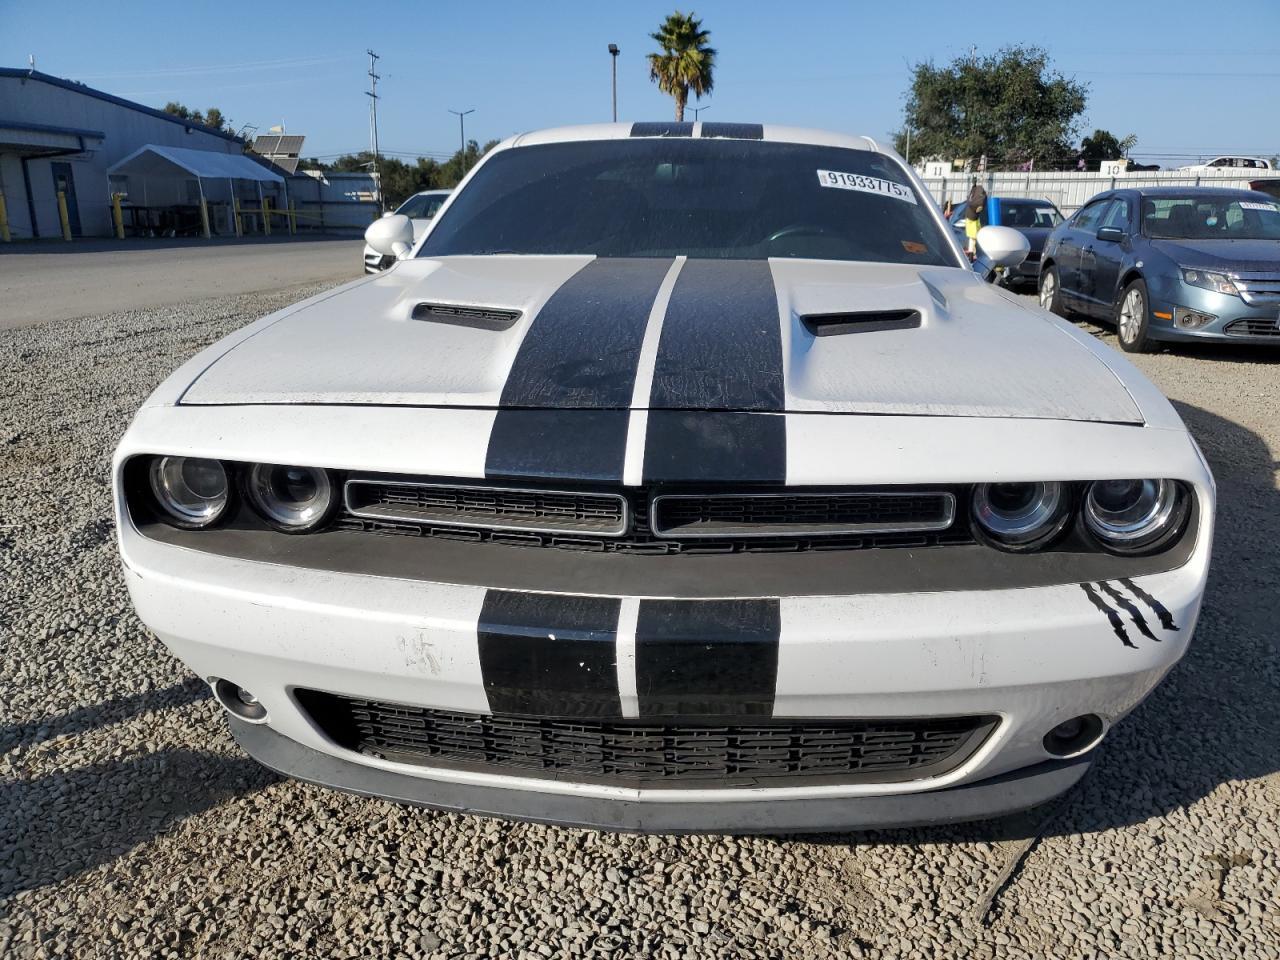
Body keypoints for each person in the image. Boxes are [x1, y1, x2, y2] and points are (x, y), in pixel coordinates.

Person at [962, 180, 987, 261]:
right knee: (973, 237)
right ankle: (972, 252)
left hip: (972, 218)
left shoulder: (974, 195)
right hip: (973, 219)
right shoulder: (979, 197)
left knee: (973, 237)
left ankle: (972, 252)